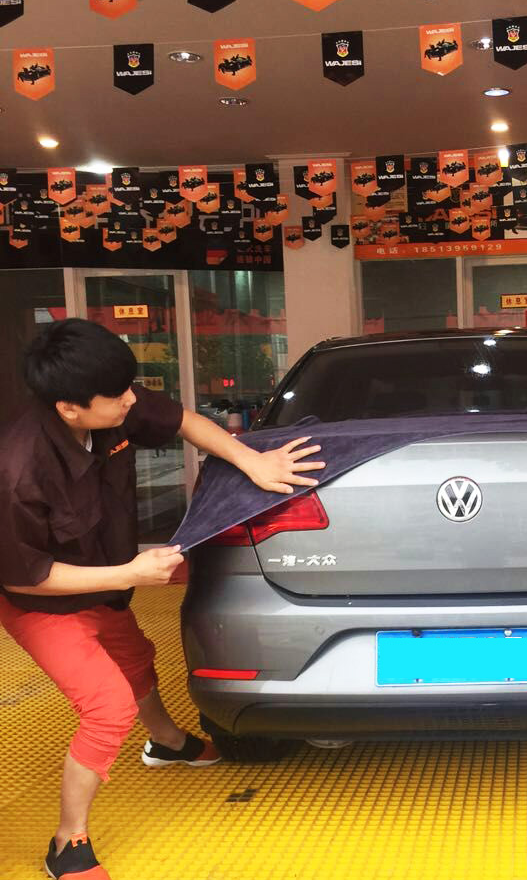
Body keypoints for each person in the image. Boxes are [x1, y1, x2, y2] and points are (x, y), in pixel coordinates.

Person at [0, 319, 326, 880]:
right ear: (69, 408)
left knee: (136, 661)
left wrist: (250, 460)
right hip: (43, 604)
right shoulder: (17, 471)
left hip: (106, 584)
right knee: (107, 708)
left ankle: (168, 742)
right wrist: (130, 571)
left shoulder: (112, 404)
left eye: (130, 388)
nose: (132, 400)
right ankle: (67, 841)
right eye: (118, 395)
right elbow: (26, 577)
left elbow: (184, 421)